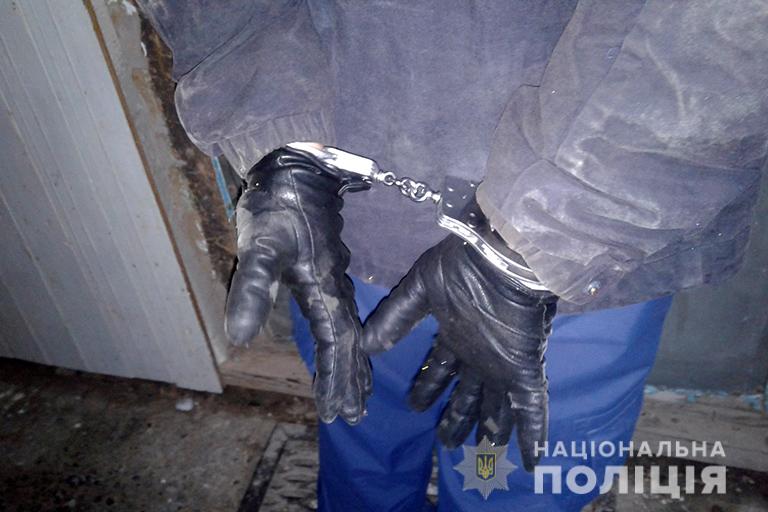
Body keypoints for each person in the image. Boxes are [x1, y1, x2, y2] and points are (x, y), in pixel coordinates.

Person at [137, 1, 768, 510]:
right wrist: (277, 135)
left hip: (581, 260)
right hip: (352, 220)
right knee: (363, 435)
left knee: (509, 476)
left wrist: (552, 239)